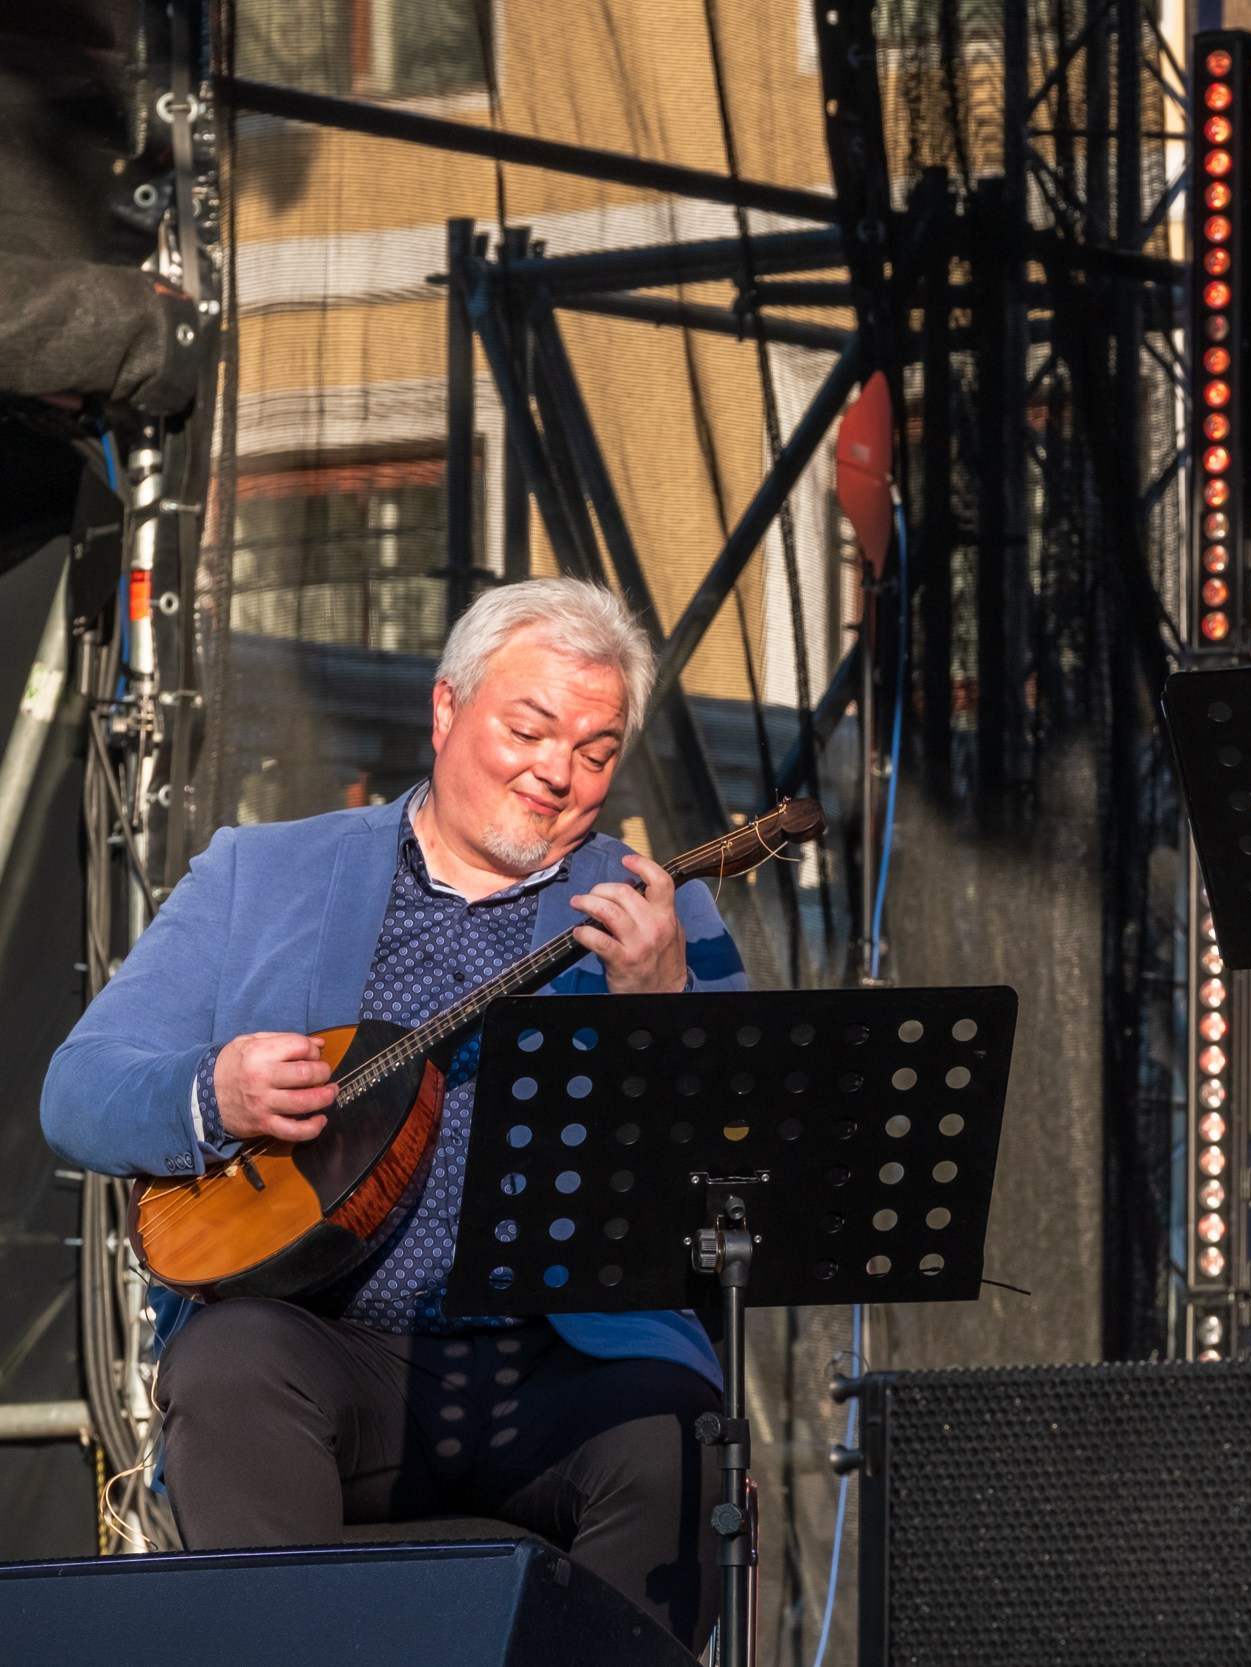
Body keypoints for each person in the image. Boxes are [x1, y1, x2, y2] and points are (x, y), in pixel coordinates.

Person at [42, 578, 745, 1649]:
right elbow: (78, 1089)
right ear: (446, 708)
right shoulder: (261, 872)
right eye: (530, 727)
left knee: (680, 1439)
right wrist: (212, 1091)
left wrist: (665, 1013)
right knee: (227, 1367)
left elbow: (752, 1142)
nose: (559, 771)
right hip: (328, 1343)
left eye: (598, 750)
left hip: (566, 1360)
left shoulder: (660, 909)